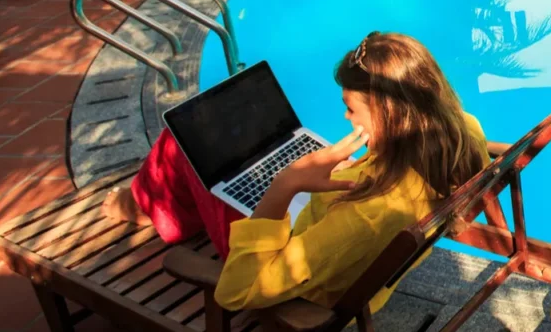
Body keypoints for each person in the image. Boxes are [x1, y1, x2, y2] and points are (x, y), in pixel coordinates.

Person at [102, 32, 489, 312]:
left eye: (352, 108)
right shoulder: (463, 131)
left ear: (392, 115)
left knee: (181, 143)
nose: (346, 117)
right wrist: (353, 170)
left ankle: (150, 209)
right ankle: (151, 205)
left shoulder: (367, 217)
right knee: (219, 153)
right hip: (334, 222)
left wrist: (286, 183)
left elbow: (237, 293)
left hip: (295, 268)